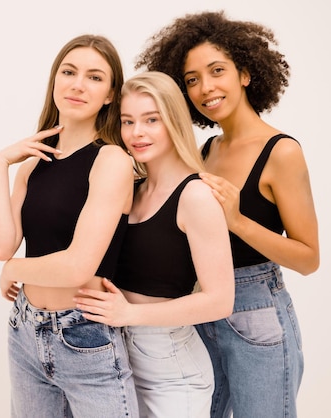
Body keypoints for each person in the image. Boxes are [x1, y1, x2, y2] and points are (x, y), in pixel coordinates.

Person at [133, 10, 320, 418]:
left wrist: (237, 220)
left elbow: (309, 258)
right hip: (199, 310)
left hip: (257, 313)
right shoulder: (205, 151)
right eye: (192, 79)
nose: (205, 88)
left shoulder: (282, 152)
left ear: (246, 74)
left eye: (217, 71)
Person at [0, 34, 138, 418]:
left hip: (84, 334)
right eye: (69, 72)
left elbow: (78, 266)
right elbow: (1, 245)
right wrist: (1, 163)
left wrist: (15, 269)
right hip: (25, 330)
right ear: (55, 80)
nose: (78, 84)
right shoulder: (33, 164)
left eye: (95, 77)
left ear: (110, 95)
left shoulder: (111, 160)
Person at [73, 71, 235, 418]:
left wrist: (130, 314)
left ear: (174, 121)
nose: (136, 133)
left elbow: (220, 301)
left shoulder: (196, 196)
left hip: (171, 370)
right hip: (117, 356)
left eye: (151, 120)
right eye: (128, 121)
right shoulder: (132, 188)